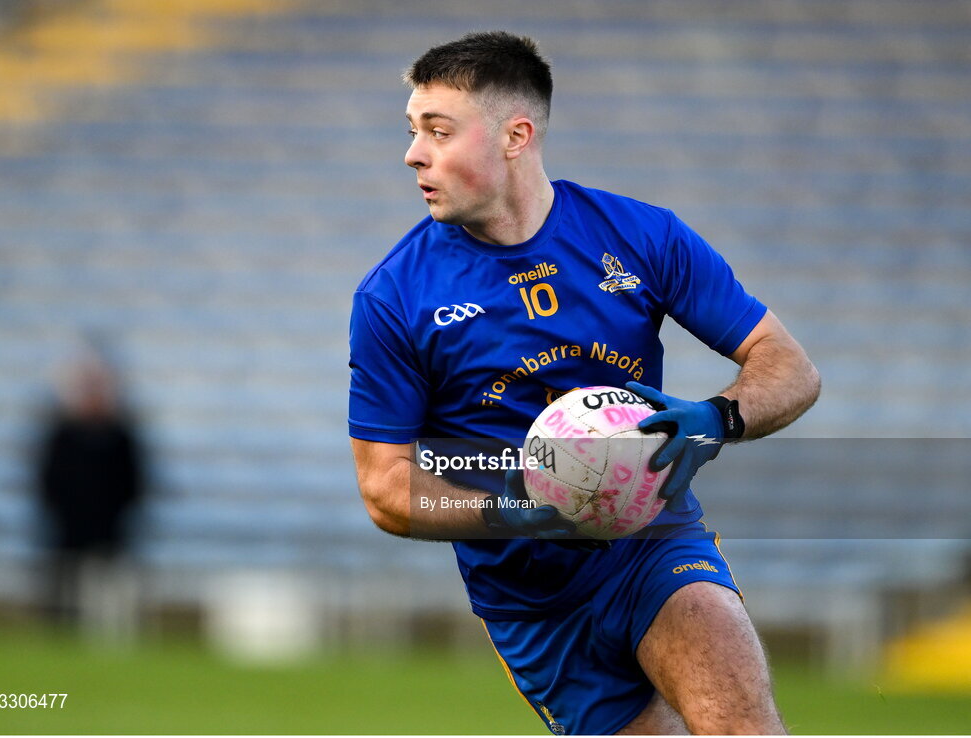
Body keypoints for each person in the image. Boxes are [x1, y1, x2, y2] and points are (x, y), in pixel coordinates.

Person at [348, 31, 819, 735]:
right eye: (412, 131)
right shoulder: (394, 296)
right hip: (532, 607)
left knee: (742, 728)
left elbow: (789, 368)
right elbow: (386, 487)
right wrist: (535, 502)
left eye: (437, 132)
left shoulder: (640, 236)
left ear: (515, 136)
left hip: (652, 547)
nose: (413, 153)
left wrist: (711, 419)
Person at [35, 343, 146, 643]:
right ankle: (61, 634)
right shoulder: (63, 433)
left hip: (110, 528)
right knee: (65, 584)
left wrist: (121, 513)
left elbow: (134, 481)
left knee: (110, 587)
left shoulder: (120, 434)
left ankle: (112, 637)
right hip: (70, 527)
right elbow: (49, 479)